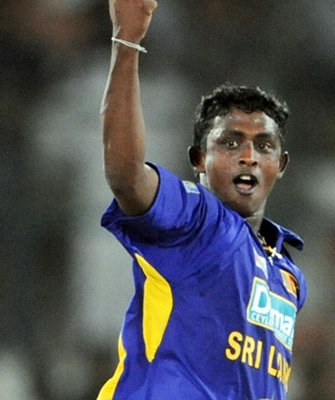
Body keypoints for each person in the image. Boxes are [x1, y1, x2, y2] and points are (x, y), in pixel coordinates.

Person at [97, 0, 307, 398]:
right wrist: (126, 42)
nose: (248, 155)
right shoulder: (194, 219)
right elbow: (126, 176)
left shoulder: (290, 275)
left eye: (263, 146)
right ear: (198, 160)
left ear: (280, 165)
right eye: (230, 142)